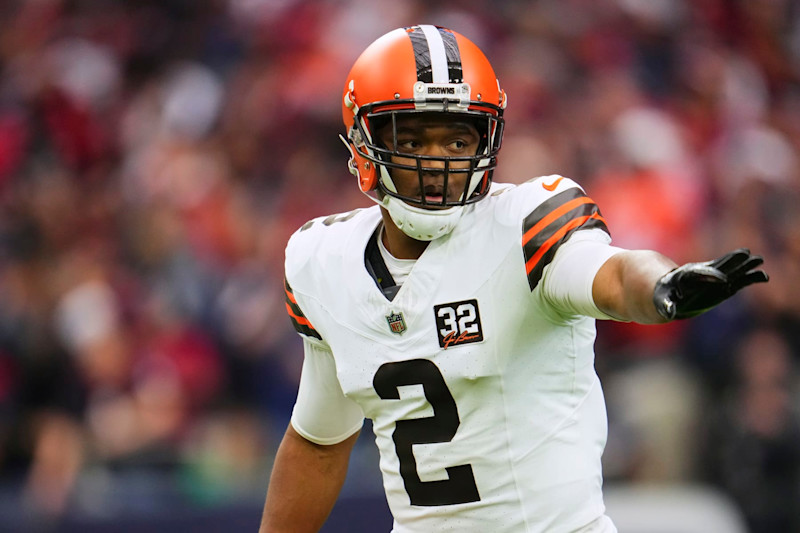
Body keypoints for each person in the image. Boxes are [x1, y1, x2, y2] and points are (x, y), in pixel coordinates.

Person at [259, 25, 768, 533]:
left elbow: (610, 273)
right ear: (362, 142)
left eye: (458, 139)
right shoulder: (324, 261)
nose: (437, 162)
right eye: (411, 138)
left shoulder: (524, 225)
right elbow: (319, 441)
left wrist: (662, 288)